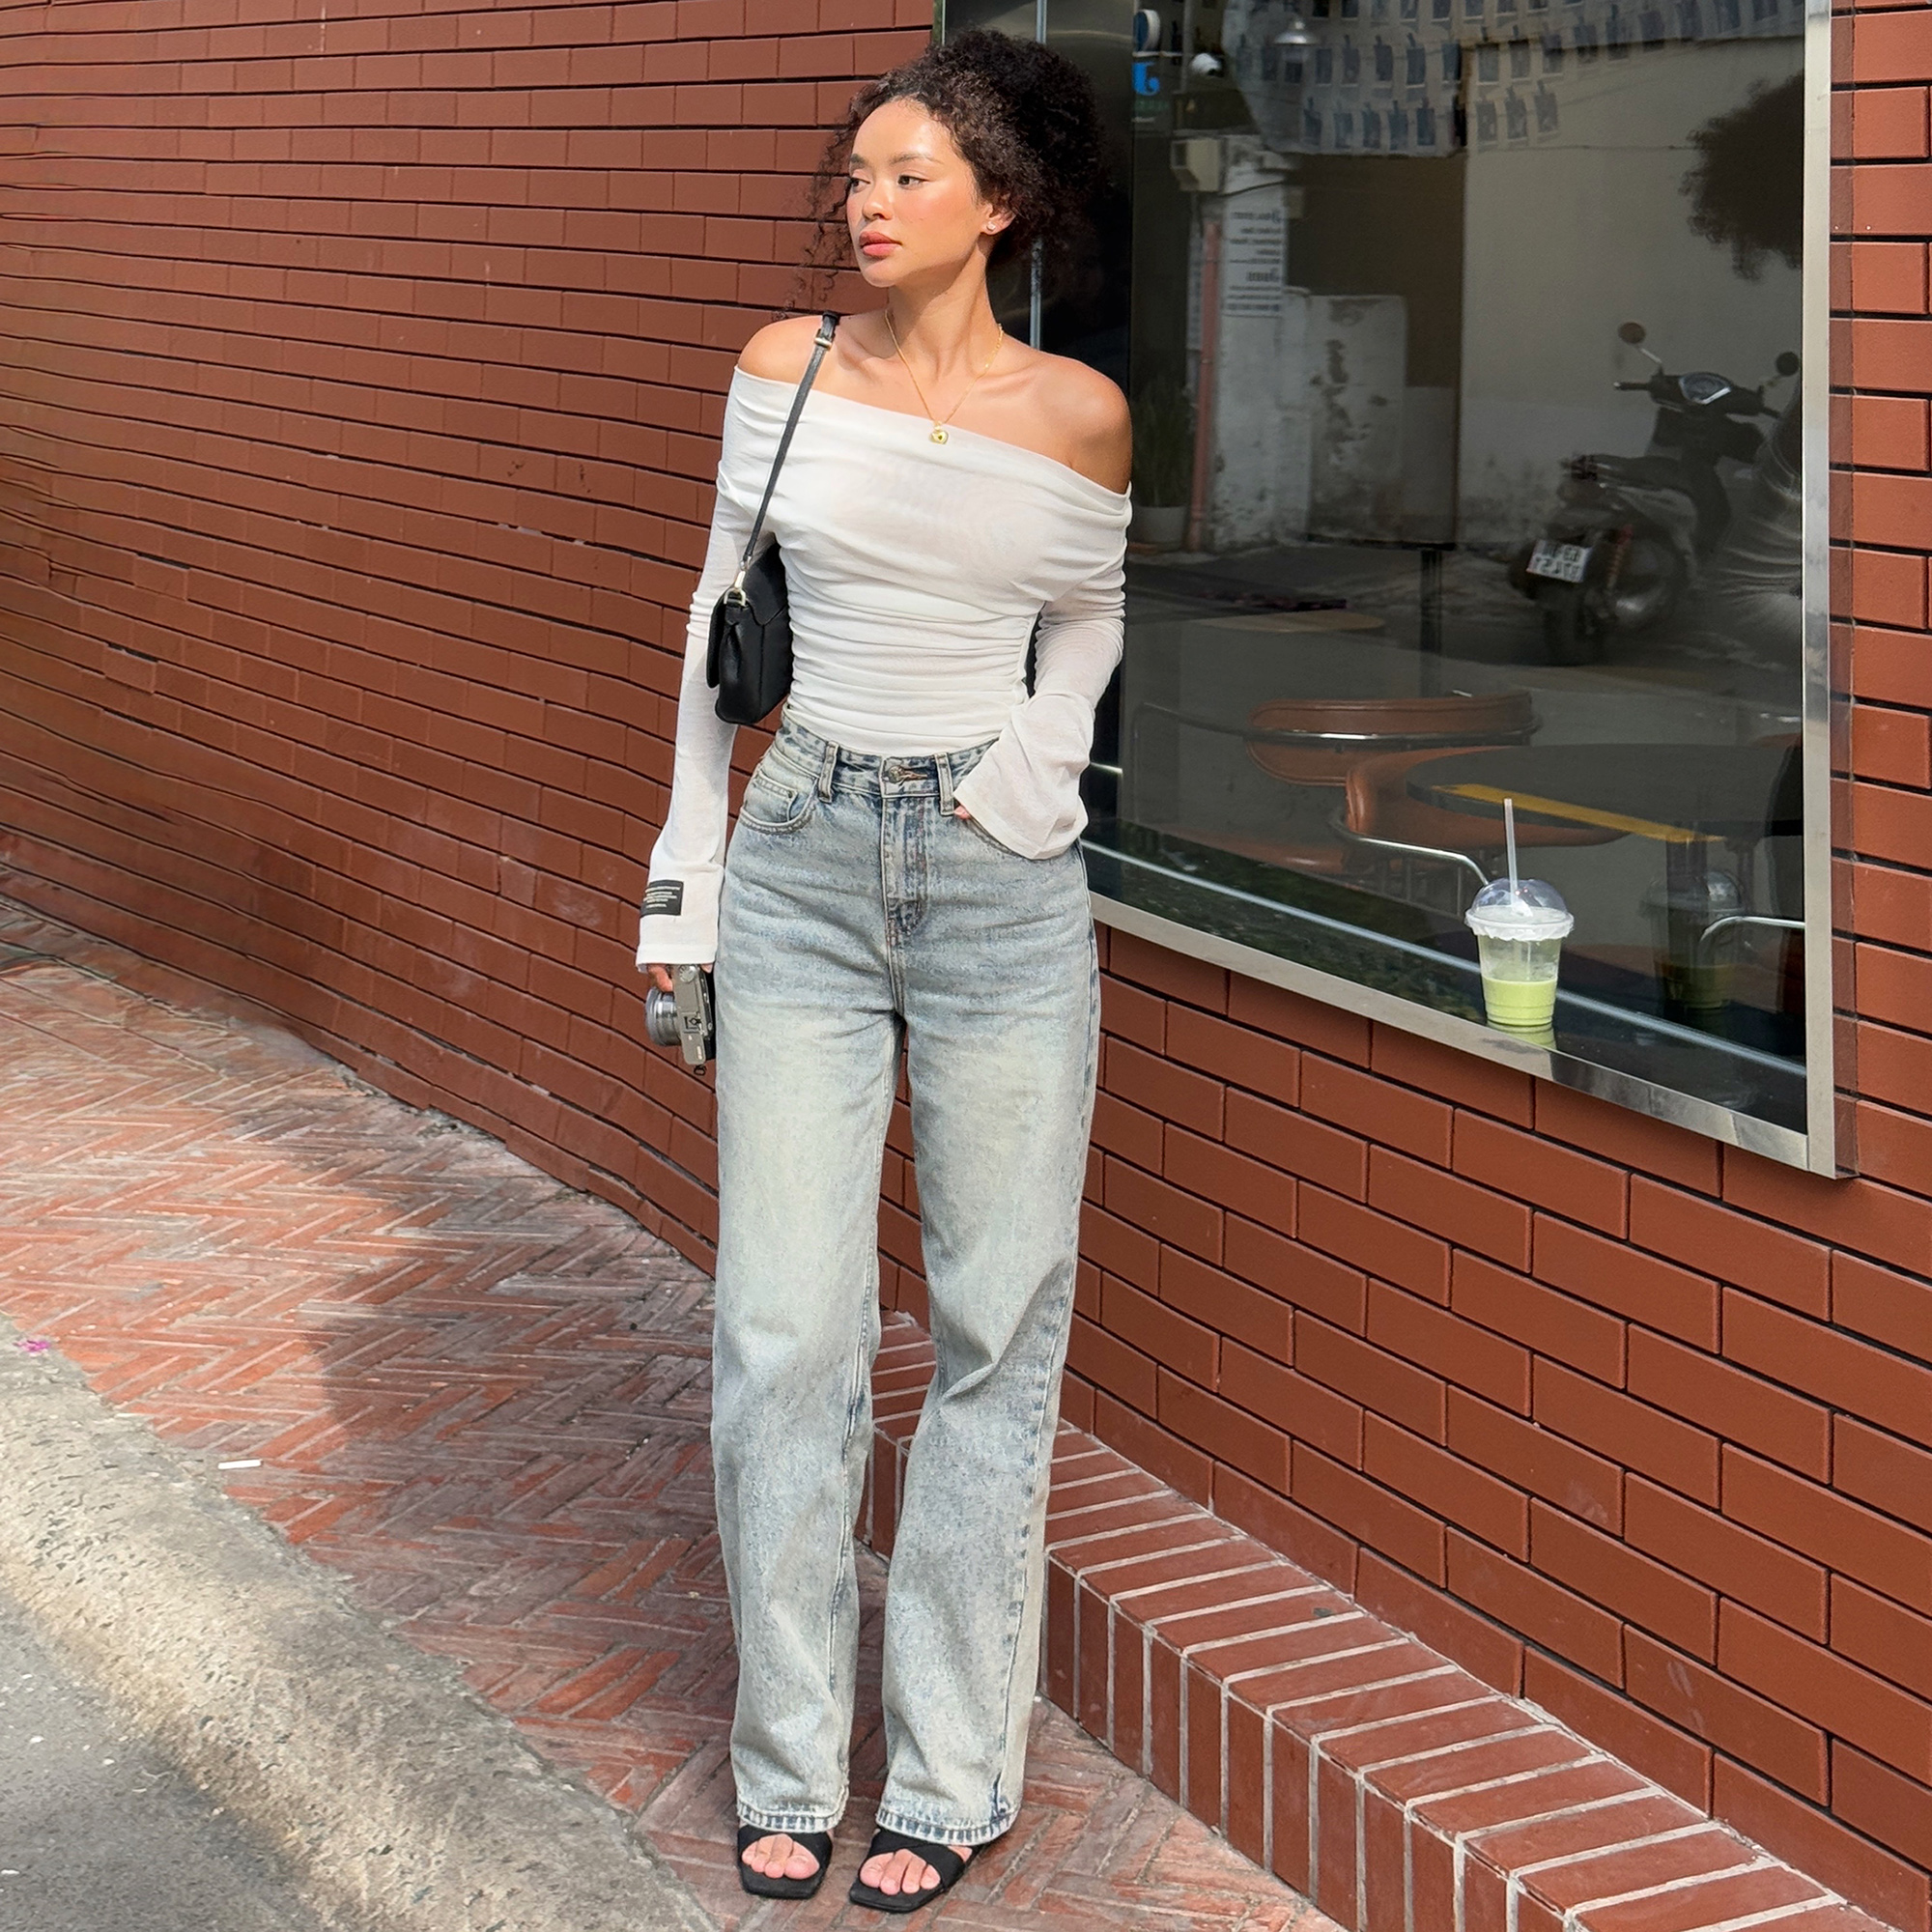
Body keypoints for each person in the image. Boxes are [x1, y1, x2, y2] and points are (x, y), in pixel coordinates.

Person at [636, 27, 1131, 1918]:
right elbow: (716, 631)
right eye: (857, 174)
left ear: (998, 203)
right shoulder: (784, 372)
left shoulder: (1079, 416)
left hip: (1004, 893)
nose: (866, 203)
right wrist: (682, 890)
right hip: (806, 862)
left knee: (997, 1328)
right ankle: (786, 1760)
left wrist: (1028, 773)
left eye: (907, 174)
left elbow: (1088, 621)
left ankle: (945, 1772)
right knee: (785, 1332)